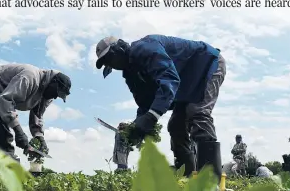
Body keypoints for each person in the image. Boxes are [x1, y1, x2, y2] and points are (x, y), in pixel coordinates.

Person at [95, 34, 226, 180]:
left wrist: (152, 117)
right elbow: (145, 103)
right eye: (107, 63)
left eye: (110, 59)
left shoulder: (145, 48)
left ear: (119, 49)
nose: (112, 65)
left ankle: (211, 181)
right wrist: (137, 127)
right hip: (185, 84)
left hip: (207, 66)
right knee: (176, 126)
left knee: (198, 112)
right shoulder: (130, 74)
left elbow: (169, 79)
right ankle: (186, 175)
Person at [0, 63, 72, 191]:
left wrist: (39, 137)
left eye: (58, 96)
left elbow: (37, 115)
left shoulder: (47, 95)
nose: (54, 97)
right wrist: (19, 132)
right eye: (56, 93)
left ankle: (12, 185)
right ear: (52, 82)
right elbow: (6, 100)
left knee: (5, 138)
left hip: (2, 96)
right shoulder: (29, 77)